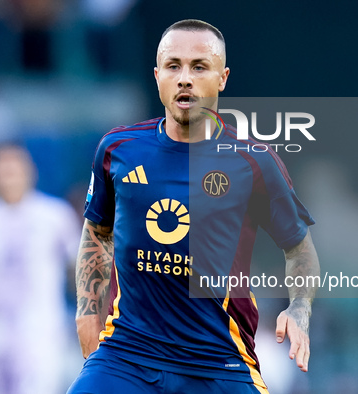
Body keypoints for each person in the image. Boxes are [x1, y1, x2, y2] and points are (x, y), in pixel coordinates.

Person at [68, 19, 320, 394]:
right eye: (174, 66)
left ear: (222, 78)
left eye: (199, 67)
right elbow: (97, 231)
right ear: (157, 76)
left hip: (219, 360)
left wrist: (299, 308)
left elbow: (299, 249)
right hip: (127, 355)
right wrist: (87, 315)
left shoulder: (254, 161)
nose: (185, 78)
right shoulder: (117, 149)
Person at [0, 145, 81, 394]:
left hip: (42, 331)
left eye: (14, 171)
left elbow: (79, 270)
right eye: (1, 172)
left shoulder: (55, 215)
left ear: (30, 173)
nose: (8, 178)